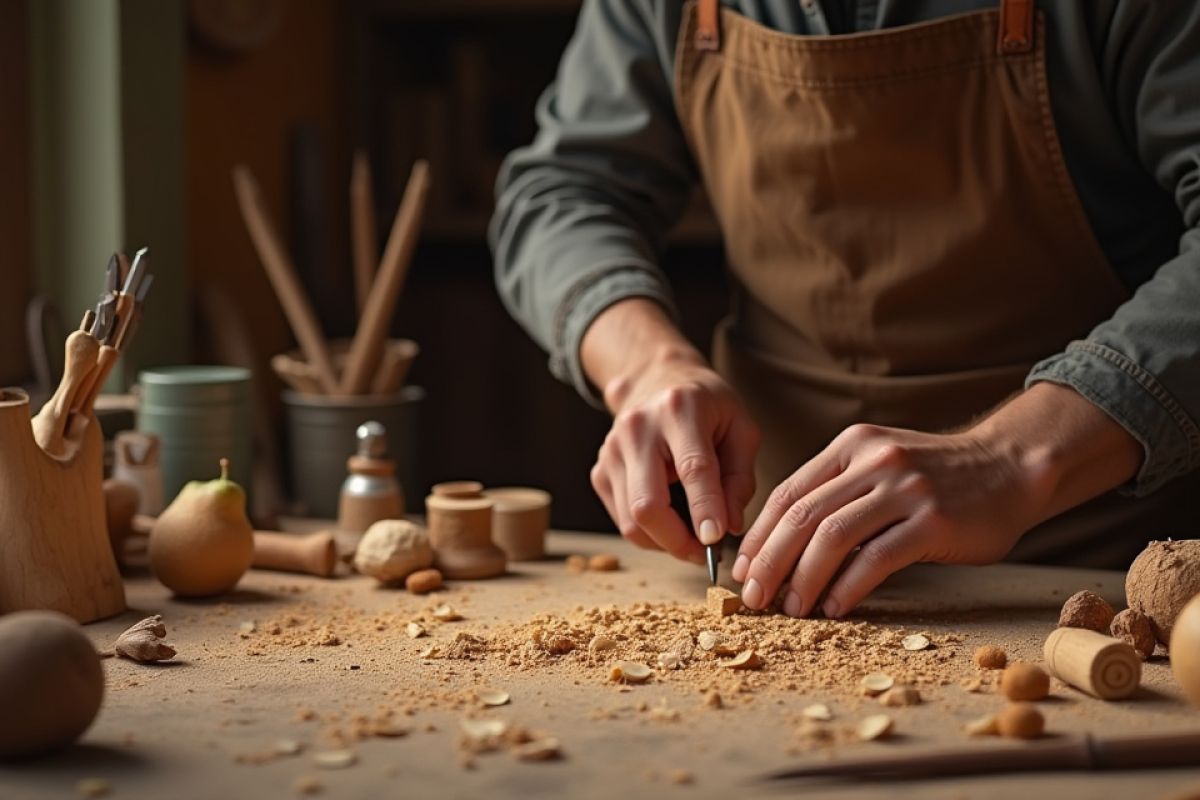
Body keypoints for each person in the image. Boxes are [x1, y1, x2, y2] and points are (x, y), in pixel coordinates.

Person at [490, 0, 1200, 618]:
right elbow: (565, 191)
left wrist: (1009, 459)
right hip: (771, 555)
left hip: (1091, 567)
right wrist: (647, 368)